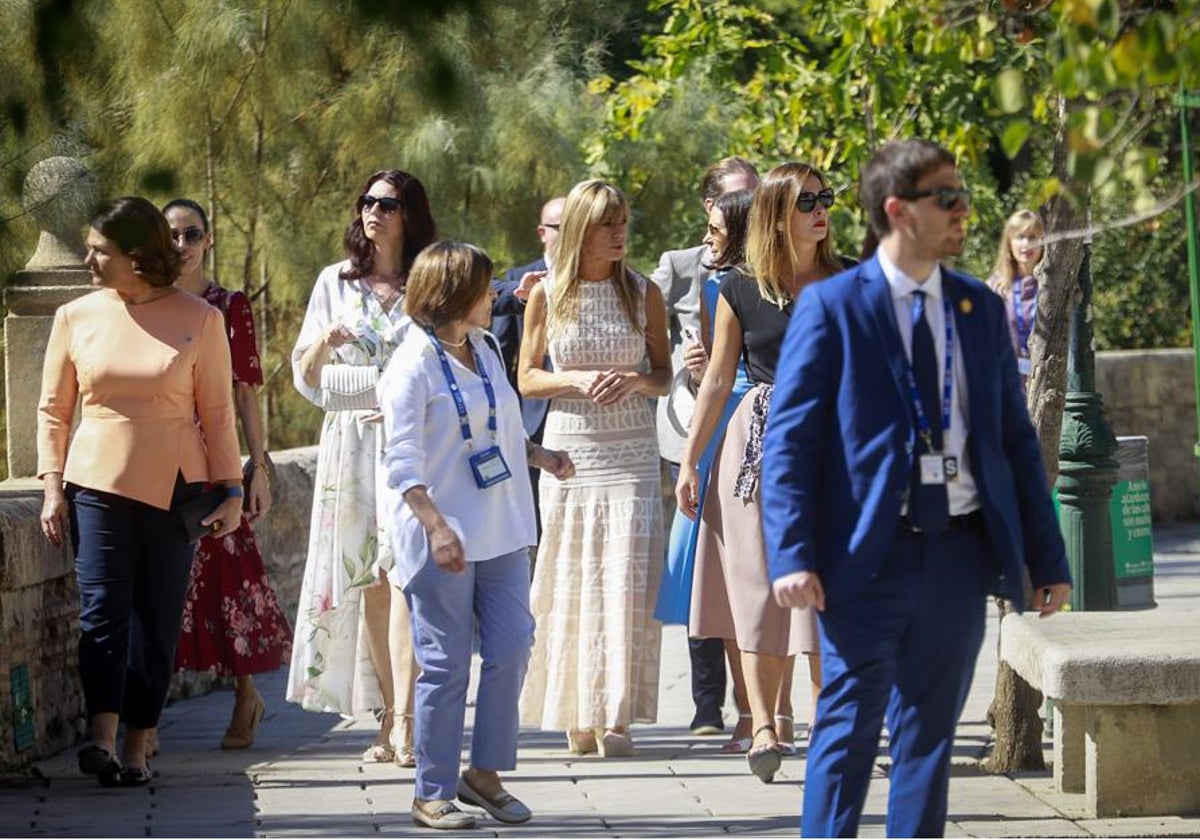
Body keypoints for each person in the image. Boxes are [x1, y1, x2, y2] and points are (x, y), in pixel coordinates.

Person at [761, 139, 1072, 837]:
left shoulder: (976, 309)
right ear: (898, 211)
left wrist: (1047, 560)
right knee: (846, 735)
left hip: (960, 556)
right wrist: (791, 555)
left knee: (928, 741)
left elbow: (1014, 443)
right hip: (862, 557)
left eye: (963, 194)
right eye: (948, 197)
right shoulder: (834, 308)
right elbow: (791, 443)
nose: (965, 209)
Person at [37, 196, 244, 787]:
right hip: (95, 483)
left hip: (176, 487)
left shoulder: (201, 318)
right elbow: (53, 411)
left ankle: (136, 744)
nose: (88, 259)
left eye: (100, 250)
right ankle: (100, 736)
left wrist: (231, 488)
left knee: (155, 618)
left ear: (135, 256)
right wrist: (53, 487)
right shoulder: (75, 316)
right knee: (102, 613)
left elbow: (219, 410)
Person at [380, 241, 574, 830]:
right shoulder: (410, 365)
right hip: (444, 536)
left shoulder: (486, 347)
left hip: (503, 527)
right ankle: (431, 791)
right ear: (455, 295)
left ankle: (484, 775)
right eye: (484, 287)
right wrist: (435, 527)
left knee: (513, 645)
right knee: (444, 665)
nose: (493, 295)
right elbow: (402, 462)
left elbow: (501, 425)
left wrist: (541, 456)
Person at [677, 163, 846, 782]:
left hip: (834, 443)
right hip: (757, 440)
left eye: (826, 198)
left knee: (827, 588)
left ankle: (833, 724)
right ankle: (766, 725)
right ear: (776, 212)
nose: (822, 210)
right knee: (755, 585)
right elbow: (718, 378)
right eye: (807, 202)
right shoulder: (739, 288)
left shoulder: (851, 280)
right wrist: (691, 461)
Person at [518, 179, 671, 757]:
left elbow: (662, 373)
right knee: (571, 579)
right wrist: (576, 380)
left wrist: (633, 380)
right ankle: (573, 713)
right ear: (582, 229)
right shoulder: (547, 294)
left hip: (632, 453)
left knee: (626, 584)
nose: (620, 233)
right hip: (571, 456)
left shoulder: (644, 293)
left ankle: (617, 717)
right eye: (609, 224)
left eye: (624, 222)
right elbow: (527, 377)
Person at [287, 170, 434, 767]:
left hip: (412, 443)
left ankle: (411, 719)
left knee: (409, 578)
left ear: (410, 214)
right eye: (367, 202)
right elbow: (305, 375)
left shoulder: (427, 281)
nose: (374, 211)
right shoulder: (335, 281)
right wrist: (325, 340)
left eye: (388, 203)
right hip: (350, 448)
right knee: (372, 580)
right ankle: (387, 717)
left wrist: (394, 397)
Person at [164, 198, 292, 751]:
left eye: (192, 235)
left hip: (216, 467)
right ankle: (144, 721)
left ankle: (246, 694)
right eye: (170, 235)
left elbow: (246, 391)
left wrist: (257, 467)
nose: (181, 246)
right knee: (163, 587)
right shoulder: (147, 304)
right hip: (159, 463)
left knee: (227, 584)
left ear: (208, 240)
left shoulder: (228, 305)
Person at [652, 156, 759, 737]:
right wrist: (683, 365)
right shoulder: (689, 266)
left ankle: (764, 712)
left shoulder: (784, 271)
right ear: (711, 205)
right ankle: (716, 707)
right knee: (702, 561)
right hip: (709, 420)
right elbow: (651, 335)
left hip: (755, 415)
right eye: (731, 199)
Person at [490, 196, 566, 534]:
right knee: (534, 524)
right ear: (542, 232)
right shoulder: (518, 279)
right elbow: (501, 353)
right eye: (560, 228)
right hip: (532, 417)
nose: (569, 234)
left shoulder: (604, 278)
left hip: (586, 415)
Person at [988, 208, 1045, 392]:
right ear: (1009, 242)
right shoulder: (995, 287)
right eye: (1020, 236)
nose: (1026, 244)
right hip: (1005, 386)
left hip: (1047, 385)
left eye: (1033, 237)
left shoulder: (1052, 286)